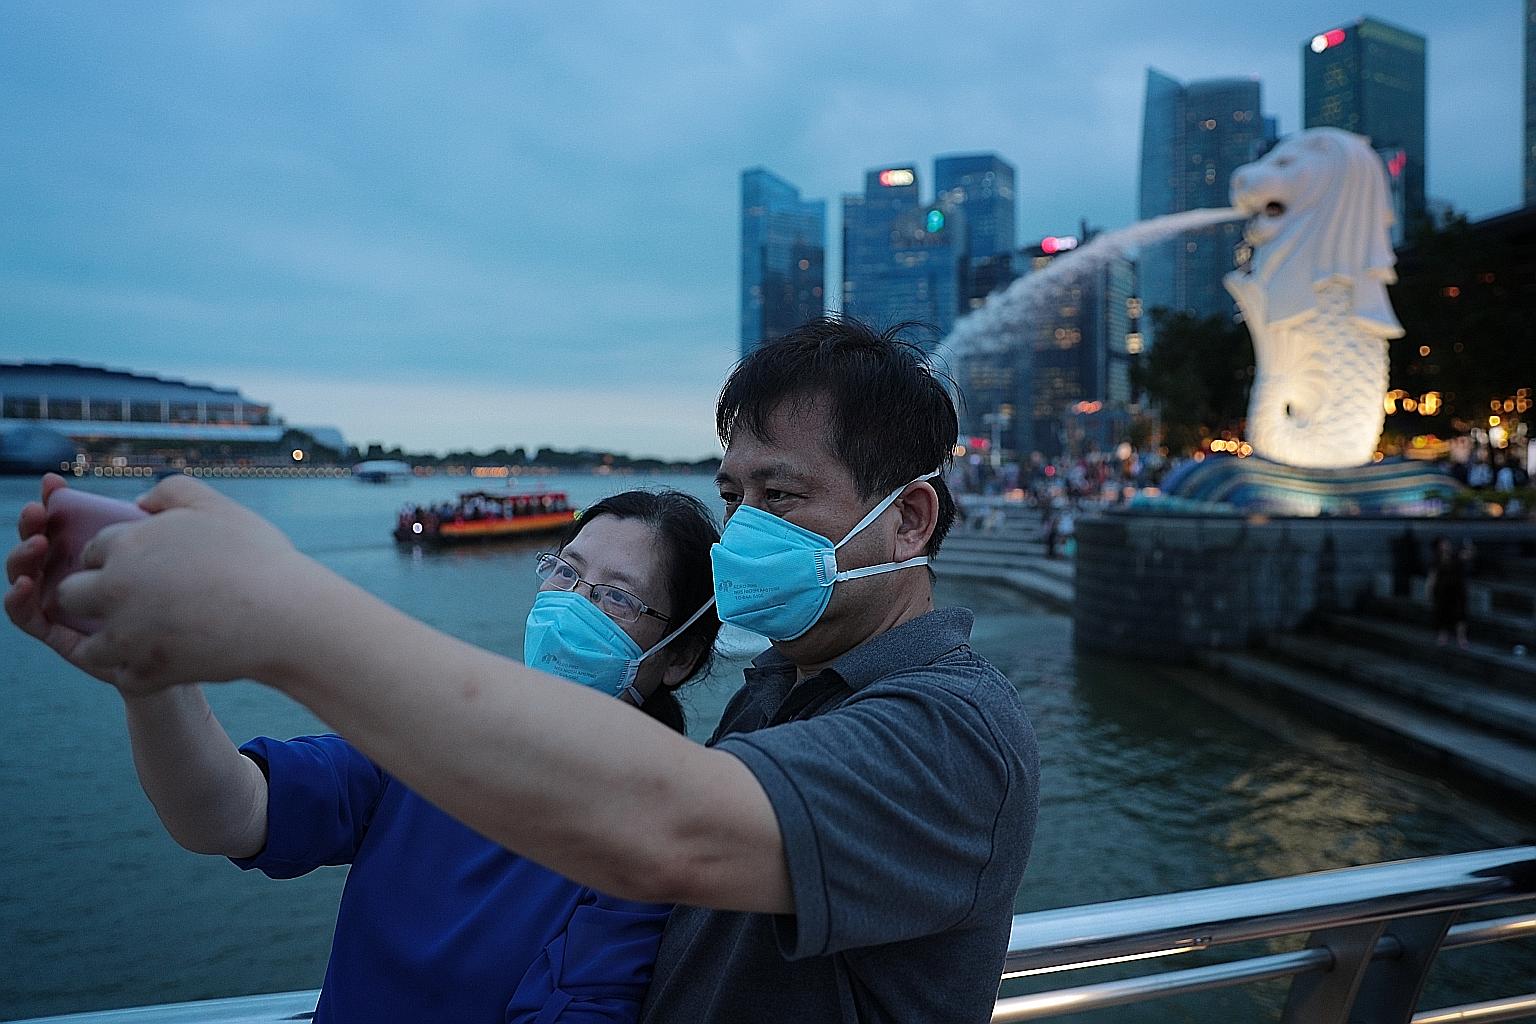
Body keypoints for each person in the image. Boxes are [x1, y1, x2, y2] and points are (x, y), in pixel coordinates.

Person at [7, 315, 1040, 1023]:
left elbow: (667, 833)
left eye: (783, 494)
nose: (745, 529)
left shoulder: (952, 732)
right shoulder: (779, 687)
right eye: (733, 495)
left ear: (909, 514)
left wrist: (275, 606)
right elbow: (231, 810)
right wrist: (150, 663)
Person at [7, 483, 722, 1023]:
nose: (570, 602)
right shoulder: (433, 743)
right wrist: (151, 680)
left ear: (681, 656)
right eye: (564, 571)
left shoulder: (657, 836)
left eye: (616, 599)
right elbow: (229, 812)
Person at [1426, 535, 1472, 650]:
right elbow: (1432, 578)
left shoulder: (1456, 556)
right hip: (1442, 590)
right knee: (1442, 612)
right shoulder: (1436, 561)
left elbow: (1468, 555)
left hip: (1457, 589)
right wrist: (1429, 591)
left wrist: (1469, 547)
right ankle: (1443, 635)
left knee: (1460, 613)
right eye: (1443, 544)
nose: (1446, 546)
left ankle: (1461, 637)